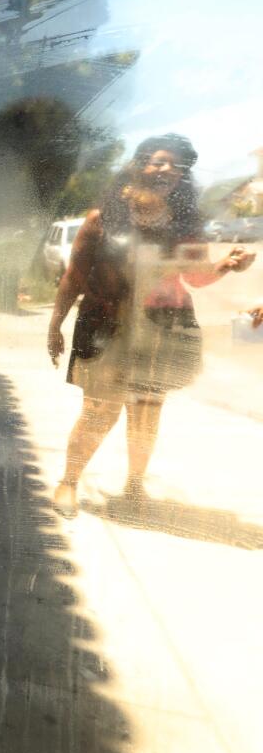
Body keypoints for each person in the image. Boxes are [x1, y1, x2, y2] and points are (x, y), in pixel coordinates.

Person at [46, 134, 255, 515]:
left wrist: (226, 265)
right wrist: (55, 325)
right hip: (106, 323)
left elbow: (195, 277)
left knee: (145, 412)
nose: (166, 170)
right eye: (158, 161)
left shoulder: (183, 226)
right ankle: (68, 482)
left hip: (163, 327)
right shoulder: (101, 219)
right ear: (138, 165)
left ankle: (134, 488)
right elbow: (74, 277)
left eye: (176, 165)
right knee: (99, 412)